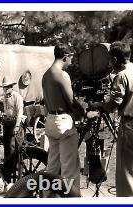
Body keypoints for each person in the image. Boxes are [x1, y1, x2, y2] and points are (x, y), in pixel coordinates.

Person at [89, 41, 133, 197]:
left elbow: (112, 106)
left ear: (115, 59)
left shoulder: (122, 76)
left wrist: (98, 104)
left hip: (132, 129)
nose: (109, 63)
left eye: (110, 59)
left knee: (127, 177)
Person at [42, 43, 85, 197]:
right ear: (65, 57)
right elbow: (71, 101)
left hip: (51, 120)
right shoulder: (62, 74)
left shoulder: (46, 75)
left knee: (52, 167)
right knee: (69, 169)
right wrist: (84, 111)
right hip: (63, 121)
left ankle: (48, 197)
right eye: (71, 58)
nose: (71, 61)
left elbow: (46, 101)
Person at [0, 76, 24, 158]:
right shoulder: (4, 97)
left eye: (7, 87)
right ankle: (7, 163)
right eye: (4, 87)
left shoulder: (17, 96)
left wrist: (17, 125)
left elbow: (20, 111)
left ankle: (13, 164)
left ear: (11, 87)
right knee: (6, 143)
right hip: (7, 122)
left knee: (13, 144)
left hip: (15, 121)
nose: (5, 89)